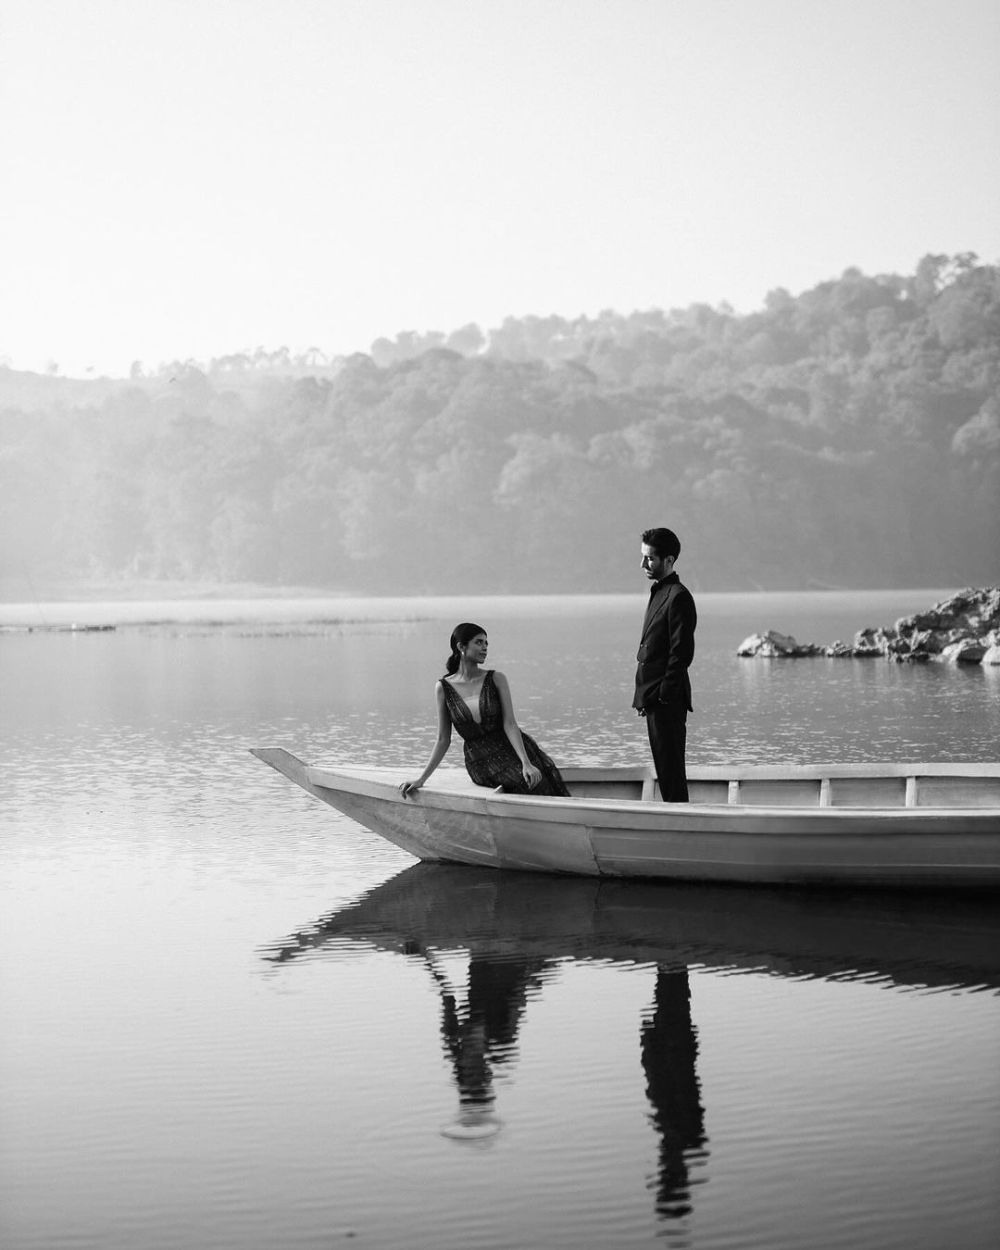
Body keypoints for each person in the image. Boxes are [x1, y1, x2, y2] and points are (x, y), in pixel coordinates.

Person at [399, 622, 570, 798]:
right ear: (461, 646)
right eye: (479, 642)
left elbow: (510, 724)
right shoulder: (443, 688)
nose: (485, 648)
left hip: (512, 750)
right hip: (480, 761)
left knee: (537, 779)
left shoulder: (496, 679)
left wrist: (526, 762)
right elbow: (443, 739)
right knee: (521, 781)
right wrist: (421, 779)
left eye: (486, 643)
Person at [633, 527, 697, 802]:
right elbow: (654, 650)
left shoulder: (678, 596)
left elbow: (680, 654)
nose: (643, 564)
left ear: (669, 561)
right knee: (664, 765)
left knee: (671, 769)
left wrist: (661, 695)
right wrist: (645, 696)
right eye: (643, 557)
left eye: (650, 559)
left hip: (667, 699)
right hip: (655, 697)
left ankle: (682, 821)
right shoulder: (660, 592)